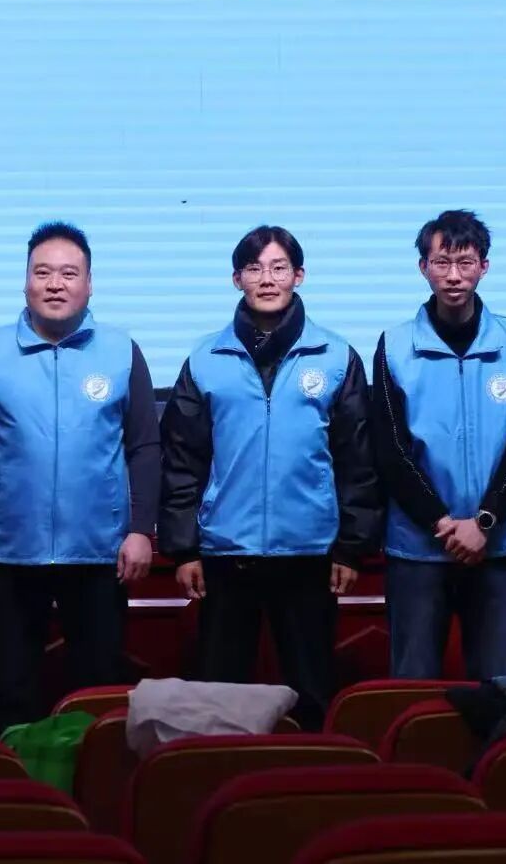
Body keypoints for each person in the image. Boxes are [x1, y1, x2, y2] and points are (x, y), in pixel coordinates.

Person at [159, 225, 380, 730]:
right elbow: (183, 459)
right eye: (254, 268)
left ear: (299, 276)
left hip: (309, 553)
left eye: (279, 268)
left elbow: (357, 460)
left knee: (313, 692)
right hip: (225, 553)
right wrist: (184, 548)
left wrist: (351, 548)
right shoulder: (205, 359)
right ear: (236, 278)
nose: (266, 279)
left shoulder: (335, 356)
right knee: (219, 698)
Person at [0, 222, 159, 735]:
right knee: (8, 687)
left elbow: (144, 447)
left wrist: (140, 530)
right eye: (43, 273)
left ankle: (95, 777)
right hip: (9, 552)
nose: (55, 284)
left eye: (69, 273)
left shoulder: (120, 350)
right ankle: (12, 778)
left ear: (89, 283)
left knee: (99, 685)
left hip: (100, 551)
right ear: (26, 282)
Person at [372, 209, 506, 681]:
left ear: (484, 266)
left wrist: (484, 522)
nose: (453, 276)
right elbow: (390, 451)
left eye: (465, 263)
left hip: (495, 546)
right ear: (423, 267)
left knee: (496, 683)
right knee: (412, 683)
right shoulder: (394, 346)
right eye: (442, 262)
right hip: (418, 549)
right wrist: (443, 523)